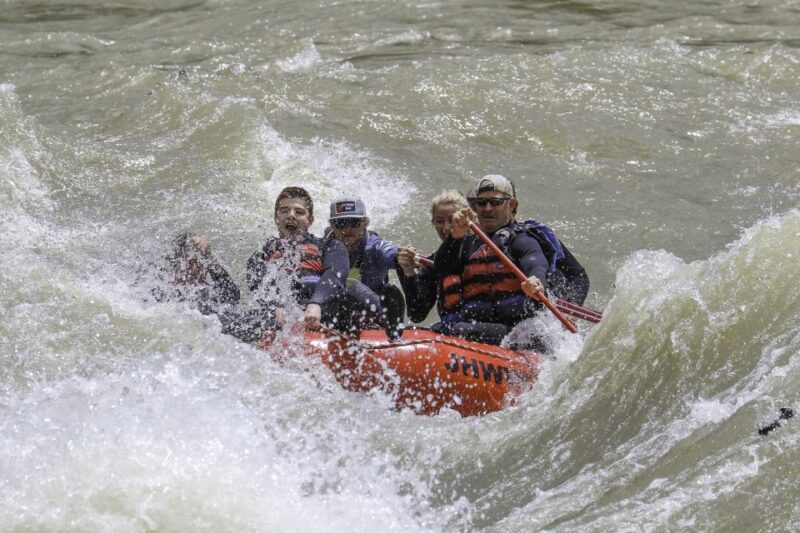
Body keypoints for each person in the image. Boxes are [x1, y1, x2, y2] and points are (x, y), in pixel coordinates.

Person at [432, 175, 557, 346]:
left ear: (511, 204)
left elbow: (536, 262)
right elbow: (442, 269)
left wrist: (536, 281)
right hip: (476, 324)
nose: (487, 208)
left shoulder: (521, 239)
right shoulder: (467, 242)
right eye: (481, 203)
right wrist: (455, 237)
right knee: (444, 328)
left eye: (495, 202)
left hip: (514, 329)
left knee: (459, 329)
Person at [245, 186, 348, 337]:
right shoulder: (264, 250)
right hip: (277, 314)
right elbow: (257, 279)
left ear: (310, 219)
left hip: (321, 311)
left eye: (299, 212)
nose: (291, 215)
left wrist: (316, 303)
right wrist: (274, 305)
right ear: (276, 218)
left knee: (358, 291)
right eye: (284, 211)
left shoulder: (329, 245)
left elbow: (335, 273)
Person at [326, 195, 405, 338]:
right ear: (332, 225)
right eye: (341, 223)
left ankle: (390, 323)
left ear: (365, 223)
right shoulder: (323, 248)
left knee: (384, 290)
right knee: (351, 289)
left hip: (371, 313)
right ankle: (386, 318)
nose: (348, 229)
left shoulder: (375, 245)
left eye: (354, 223)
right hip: (335, 314)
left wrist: (399, 257)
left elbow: (388, 250)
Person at [396, 190, 468, 325]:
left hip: (485, 331)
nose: (446, 228)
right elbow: (417, 314)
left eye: (453, 220)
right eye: (440, 221)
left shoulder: (481, 249)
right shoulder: (433, 264)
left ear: (466, 221)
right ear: (433, 223)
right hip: (452, 331)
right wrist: (409, 273)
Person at [147, 232, 240, 316]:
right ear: (179, 260)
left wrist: (214, 266)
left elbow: (233, 298)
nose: (198, 267)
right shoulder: (164, 289)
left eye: (203, 261)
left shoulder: (209, 290)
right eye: (193, 261)